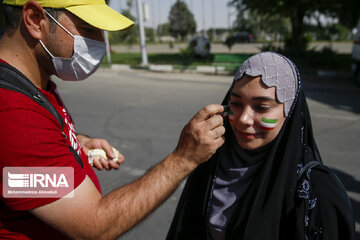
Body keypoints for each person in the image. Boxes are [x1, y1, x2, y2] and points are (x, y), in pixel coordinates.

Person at [0, 0, 225, 239]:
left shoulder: (32, 85)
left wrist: (73, 144)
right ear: (35, 19)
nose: (100, 43)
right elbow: (94, 226)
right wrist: (183, 158)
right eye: (88, 30)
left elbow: (19, 177)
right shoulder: (13, 112)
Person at [167, 52, 355, 240]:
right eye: (236, 103)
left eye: (261, 107)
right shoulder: (209, 161)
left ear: (289, 113)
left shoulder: (317, 190)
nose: (243, 119)